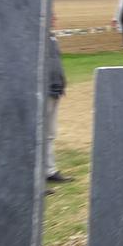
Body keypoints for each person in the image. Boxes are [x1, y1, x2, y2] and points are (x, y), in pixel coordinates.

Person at [45, 15, 73, 193]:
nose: (54, 18)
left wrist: (61, 83)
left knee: (49, 134)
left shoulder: (51, 37)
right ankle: (36, 177)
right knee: (39, 136)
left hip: (54, 90)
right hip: (44, 92)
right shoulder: (37, 38)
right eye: (51, 16)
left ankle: (49, 170)